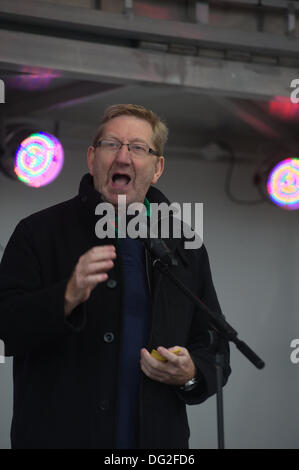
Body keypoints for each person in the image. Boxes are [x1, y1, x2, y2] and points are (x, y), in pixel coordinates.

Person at [0, 104, 231, 449]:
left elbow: (215, 347)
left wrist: (191, 372)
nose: (123, 157)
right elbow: (6, 330)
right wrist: (66, 297)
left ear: (157, 168)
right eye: (111, 145)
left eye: (138, 148)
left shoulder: (185, 246)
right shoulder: (38, 232)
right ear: (92, 158)